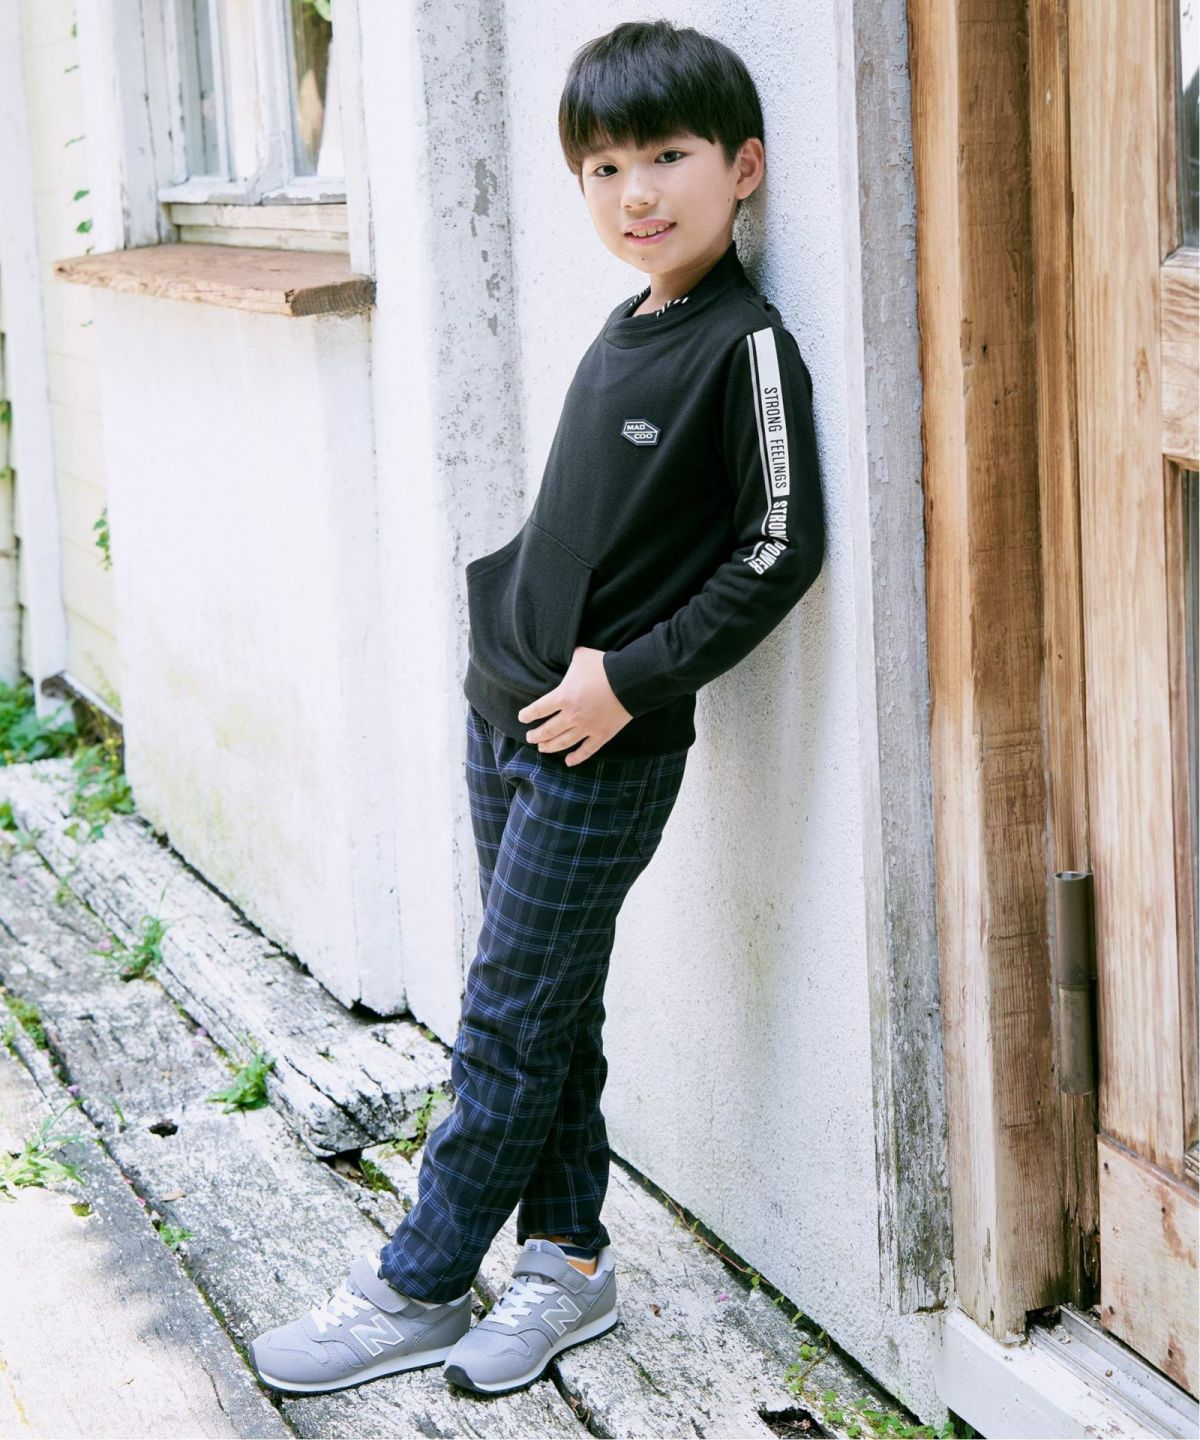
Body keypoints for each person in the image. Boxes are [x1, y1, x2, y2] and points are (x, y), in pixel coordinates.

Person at [249, 16, 825, 1400]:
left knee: (506, 1015)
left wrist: (628, 678)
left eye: (668, 157)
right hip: (502, 711)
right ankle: (566, 1264)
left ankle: (417, 1282)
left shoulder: (745, 344)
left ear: (743, 168)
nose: (636, 193)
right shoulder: (627, 322)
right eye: (605, 168)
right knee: (549, 1007)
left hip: (596, 740)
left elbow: (779, 547)